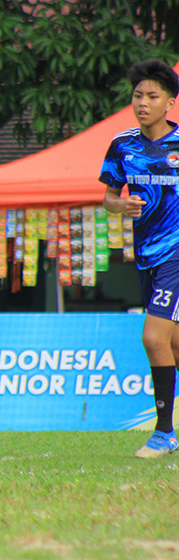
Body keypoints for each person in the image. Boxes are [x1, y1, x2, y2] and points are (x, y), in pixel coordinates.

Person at [100, 59, 179, 459]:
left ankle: (163, 433)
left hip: (177, 255)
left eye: (152, 96)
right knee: (175, 345)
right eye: (137, 95)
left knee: (152, 338)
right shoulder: (123, 145)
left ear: (170, 103)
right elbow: (108, 197)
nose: (143, 102)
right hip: (145, 255)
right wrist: (121, 205)